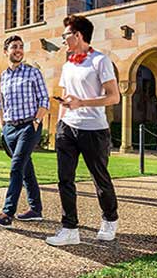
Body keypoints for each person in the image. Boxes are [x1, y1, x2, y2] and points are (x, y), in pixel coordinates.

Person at [46, 15, 120, 246]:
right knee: (64, 179)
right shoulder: (68, 64)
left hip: (94, 130)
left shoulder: (100, 61)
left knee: (100, 178)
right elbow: (67, 97)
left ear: (78, 35)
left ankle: (110, 218)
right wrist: (59, 126)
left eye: (66, 35)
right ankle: (70, 228)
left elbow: (114, 96)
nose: (64, 40)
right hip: (68, 128)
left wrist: (82, 103)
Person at [0, 35, 50, 228]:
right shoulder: (1, 77)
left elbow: (44, 99)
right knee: (25, 168)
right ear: (6, 51)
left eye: (21, 47)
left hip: (28, 126)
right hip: (10, 128)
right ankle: (35, 209)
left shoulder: (33, 73)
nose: (18, 50)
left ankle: (7, 213)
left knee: (16, 167)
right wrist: (3, 127)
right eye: (14, 47)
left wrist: (37, 120)